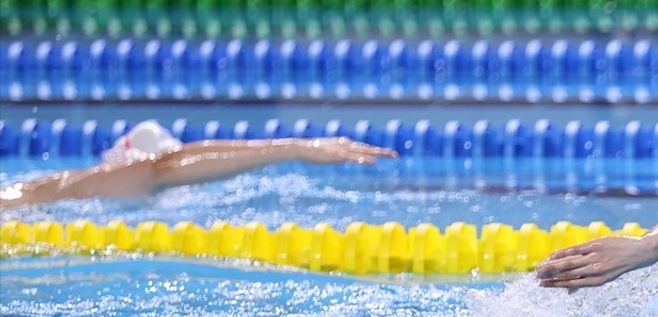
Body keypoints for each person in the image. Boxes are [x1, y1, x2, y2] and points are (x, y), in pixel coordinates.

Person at [1, 120, 396, 208]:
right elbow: (163, 167)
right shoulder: (25, 196)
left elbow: (165, 165)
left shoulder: (24, 194)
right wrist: (294, 147)